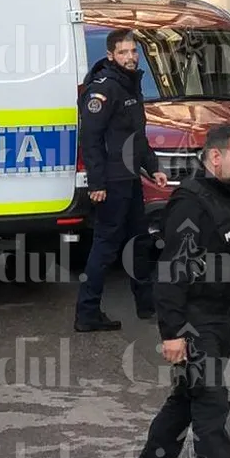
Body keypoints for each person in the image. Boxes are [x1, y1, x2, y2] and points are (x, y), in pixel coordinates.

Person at [127, 123, 230, 458]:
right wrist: (172, 333)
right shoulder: (190, 203)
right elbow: (171, 271)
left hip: (221, 315)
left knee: (187, 398)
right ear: (215, 157)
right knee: (210, 406)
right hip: (195, 319)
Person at [74, 28, 168, 332]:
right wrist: (97, 184)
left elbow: (136, 136)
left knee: (139, 241)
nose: (130, 57)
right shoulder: (104, 89)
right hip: (112, 181)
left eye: (133, 51)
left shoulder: (130, 83)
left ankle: (146, 304)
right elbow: (90, 139)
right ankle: (87, 312)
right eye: (123, 52)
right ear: (111, 55)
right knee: (105, 246)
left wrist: (152, 167)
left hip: (130, 178)